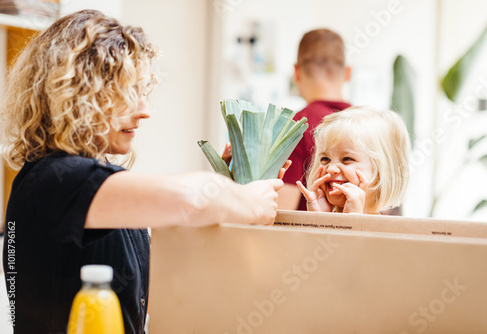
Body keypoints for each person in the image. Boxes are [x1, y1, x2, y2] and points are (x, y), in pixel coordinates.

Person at [0, 10, 286, 334]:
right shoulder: (55, 179)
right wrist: (248, 200)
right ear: (80, 97)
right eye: (129, 93)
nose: (145, 111)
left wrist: (230, 187)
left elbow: (164, 271)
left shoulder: (92, 183)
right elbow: (191, 199)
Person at [279, 28, 351, 210]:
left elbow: (281, 211)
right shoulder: (366, 125)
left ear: (296, 72)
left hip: (305, 238)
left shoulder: (297, 125)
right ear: (348, 73)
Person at [297, 106, 410, 214]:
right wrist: (319, 220)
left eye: (347, 159)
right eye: (325, 159)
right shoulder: (319, 214)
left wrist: (353, 220)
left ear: (382, 170)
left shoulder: (387, 230)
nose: (331, 169)